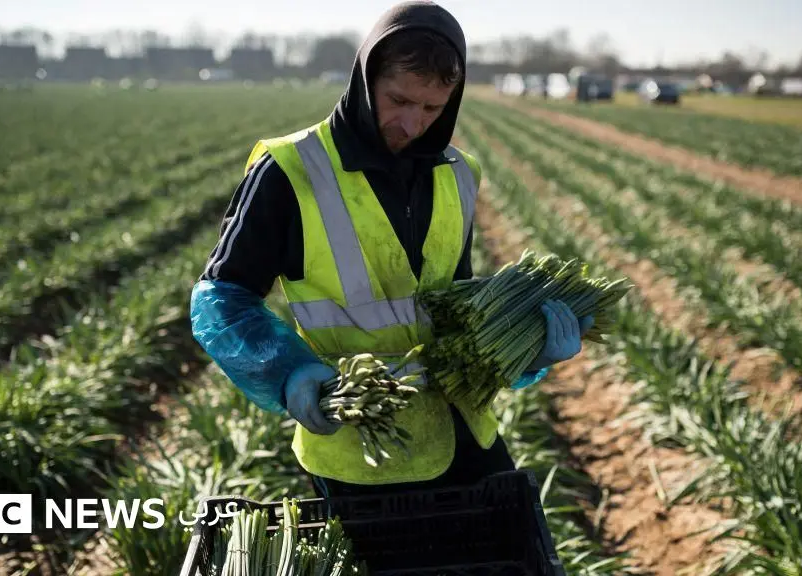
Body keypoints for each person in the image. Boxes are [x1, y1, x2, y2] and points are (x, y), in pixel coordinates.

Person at [190, 0, 593, 500]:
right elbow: (221, 299)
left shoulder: (460, 172)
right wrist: (287, 371)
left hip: (463, 431)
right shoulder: (290, 170)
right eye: (397, 100)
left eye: (431, 109)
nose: (411, 124)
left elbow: (456, 307)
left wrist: (529, 347)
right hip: (360, 447)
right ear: (364, 80)